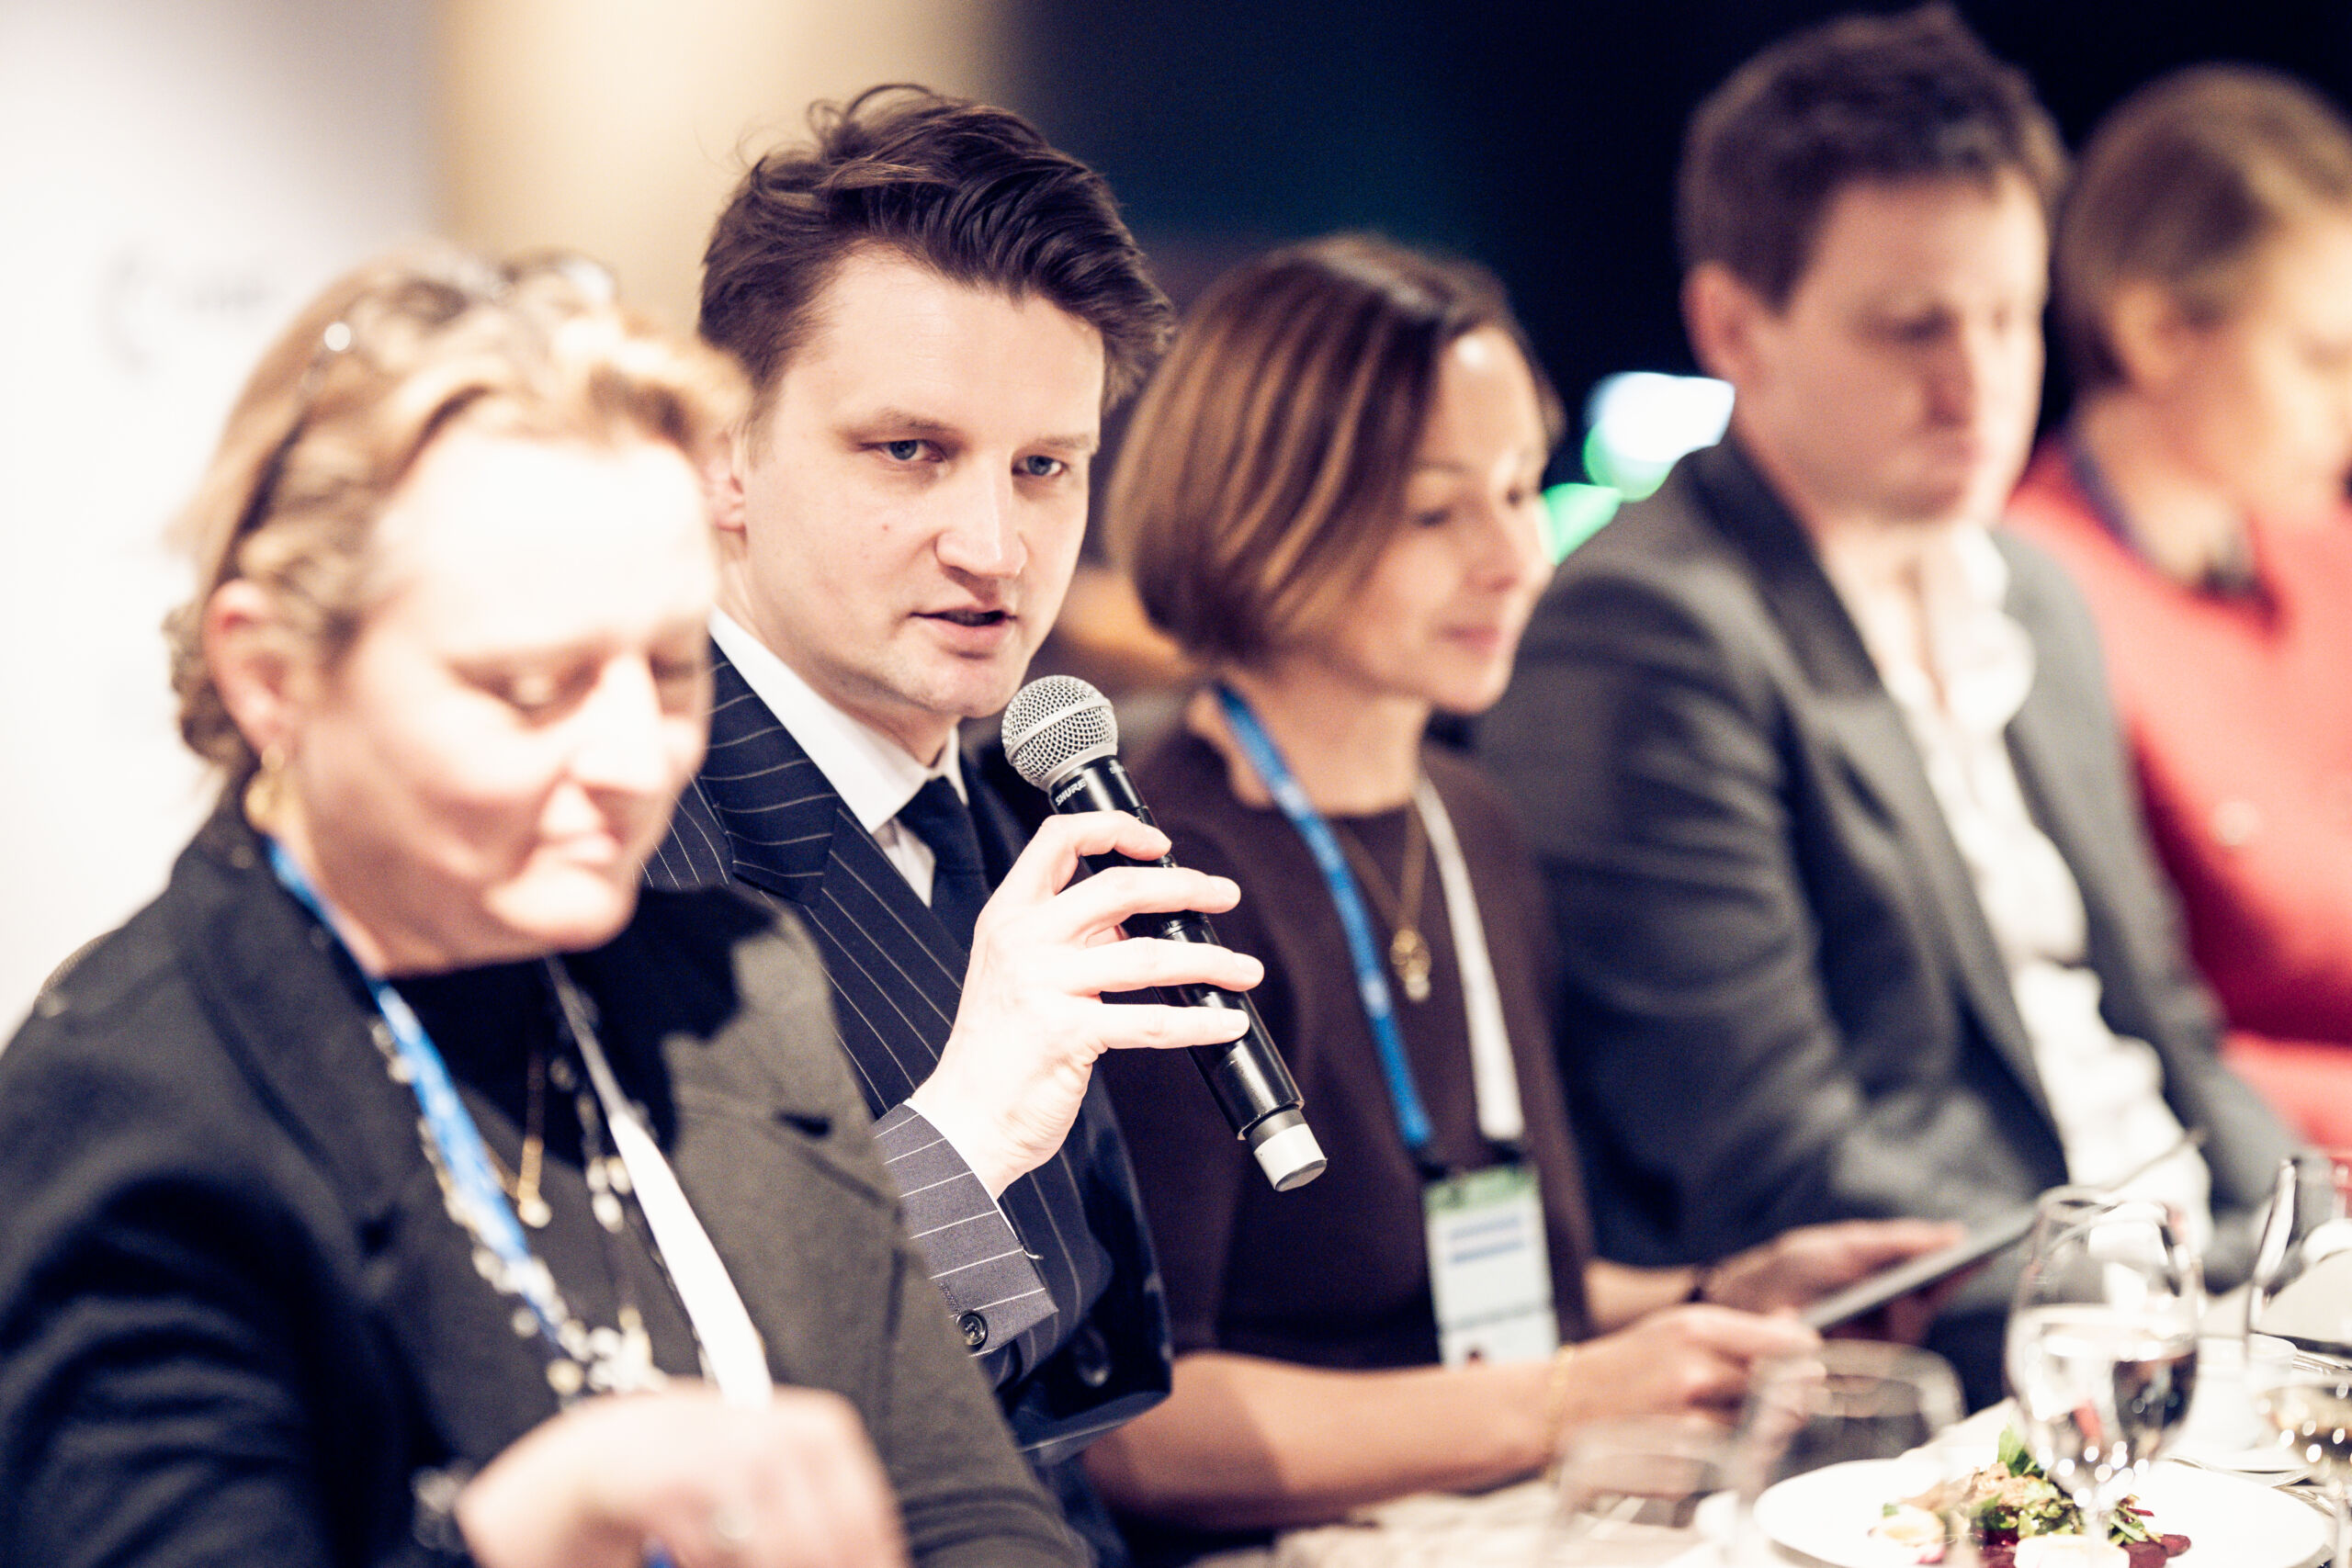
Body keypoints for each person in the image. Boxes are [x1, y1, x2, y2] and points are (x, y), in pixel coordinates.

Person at [0, 248, 1080, 1568]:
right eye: (528, 686)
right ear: (272, 672)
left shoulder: (735, 986)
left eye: (669, 667)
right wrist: (519, 1533)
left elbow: (957, 1499)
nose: (636, 755)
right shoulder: (134, 1102)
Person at [1076, 234, 1961, 1553]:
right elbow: (1145, 1429)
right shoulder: (1157, 872)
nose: (1518, 557)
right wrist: (1562, 1402)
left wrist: (1712, 1300)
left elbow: (1453, 1298)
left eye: (1515, 489)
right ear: (1262, 513)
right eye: (1438, 512)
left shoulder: (1468, 816)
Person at [1475, 6, 2297, 1407]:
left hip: (2181, 1304)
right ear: (1735, 327)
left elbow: (2169, 1027)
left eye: (2008, 316)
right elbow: (1775, 1166)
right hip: (1973, 1367)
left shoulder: (2034, 590)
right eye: (1913, 327)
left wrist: (2299, 1251)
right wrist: (2172, 1307)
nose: (1979, 383)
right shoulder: (1646, 630)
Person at [643, 87, 1237, 1559]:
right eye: (909, 450)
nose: (995, 547)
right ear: (723, 455)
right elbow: (683, 1398)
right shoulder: (632, 837)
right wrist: (971, 1117)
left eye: (1045, 466)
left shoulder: (1025, 786)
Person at [2005, 66, 2352, 1150]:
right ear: (2157, 333)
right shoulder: (2026, 605)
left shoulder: (2319, 547)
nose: (2347, 406)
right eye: (2320, 359)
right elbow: (2130, 1037)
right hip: (2256, 1192)